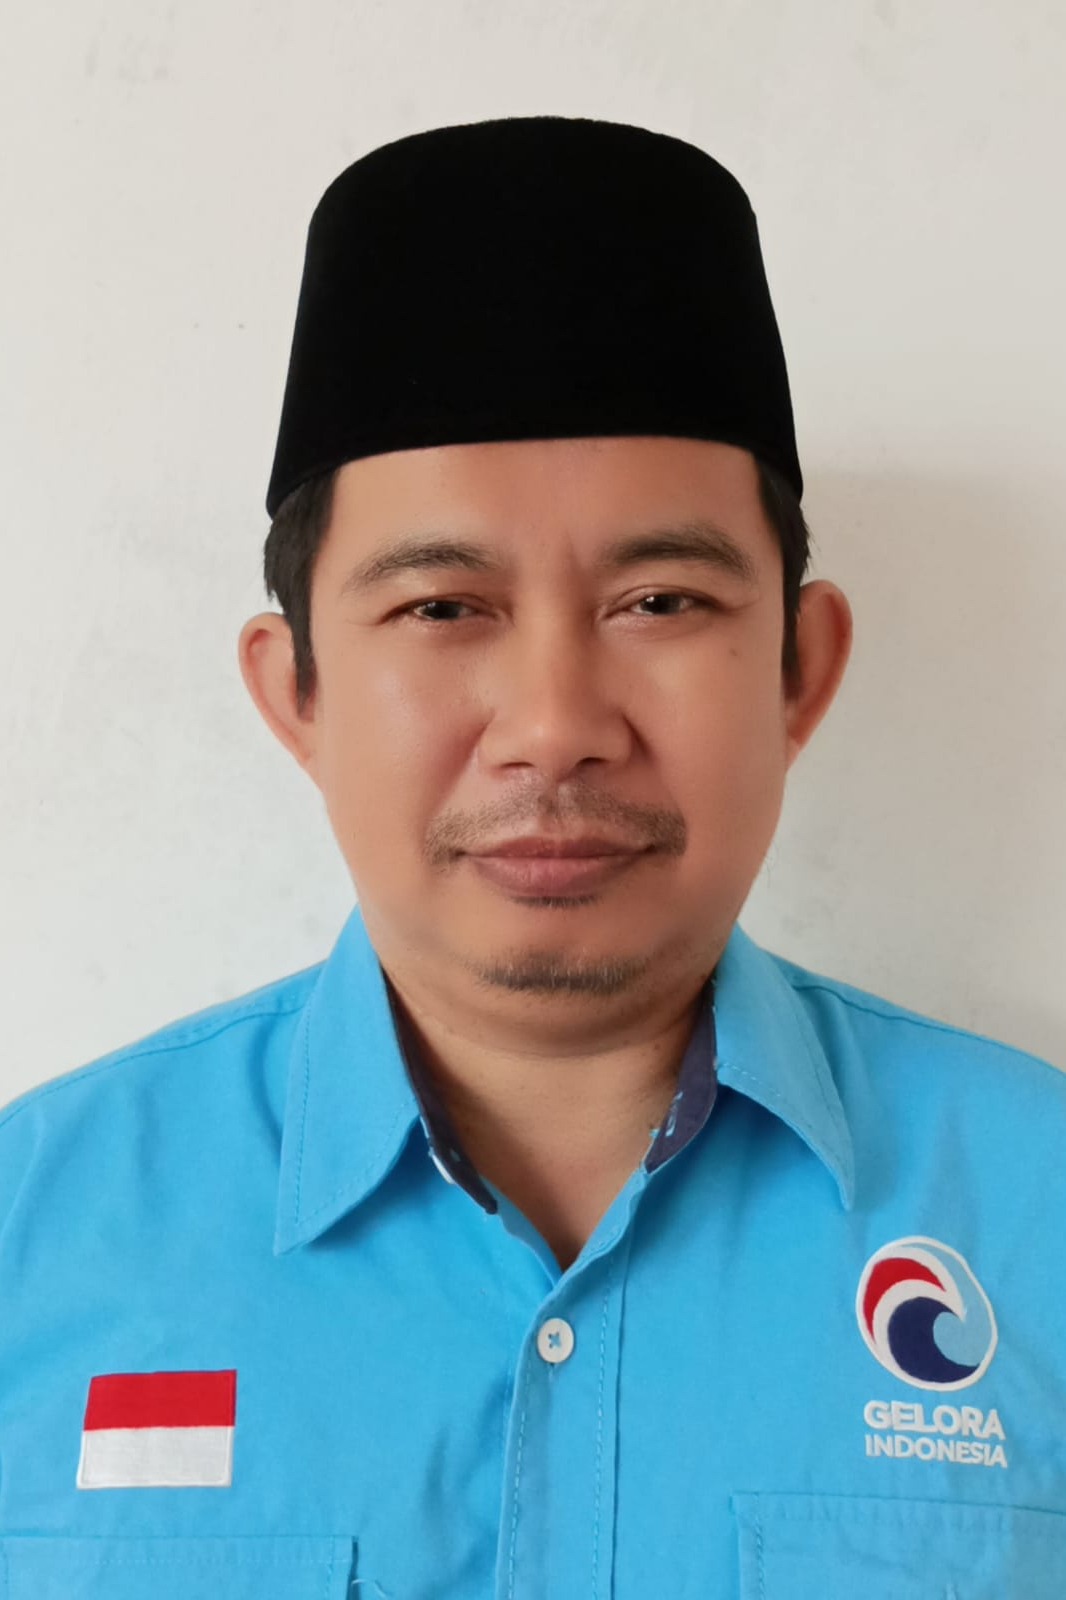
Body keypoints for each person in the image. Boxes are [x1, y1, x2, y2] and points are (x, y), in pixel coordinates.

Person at [1, 115, 1064, 1600]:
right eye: (442, 608)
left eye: (662, 602)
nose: (556, 728)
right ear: (294, 692)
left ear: (799, 672)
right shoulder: (32, 1235)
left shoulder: (1039, 1209)